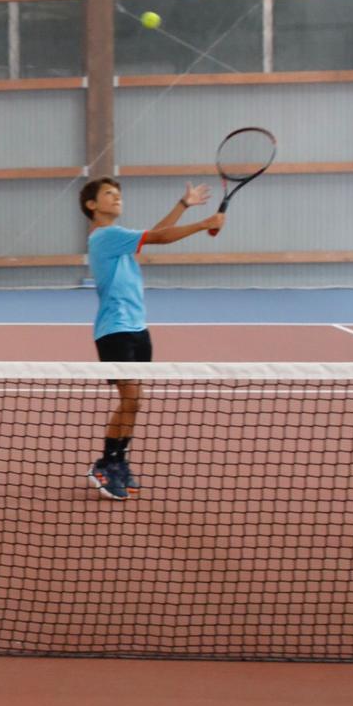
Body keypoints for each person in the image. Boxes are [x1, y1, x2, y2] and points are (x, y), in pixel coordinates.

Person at [82, 175, 224, 500]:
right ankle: (106, 463)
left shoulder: (118, 238)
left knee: (134, 403)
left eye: (118, 193)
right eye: (108, 194)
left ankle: (117, 461)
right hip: (114, 330)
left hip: (137, 328)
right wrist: (204, 223)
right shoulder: (105, 236)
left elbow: (153, 235)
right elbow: (160, 237)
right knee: (131, 399)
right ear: (92, 205)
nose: (116, 198)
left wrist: (183, 205)